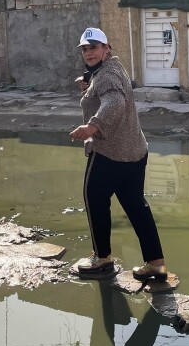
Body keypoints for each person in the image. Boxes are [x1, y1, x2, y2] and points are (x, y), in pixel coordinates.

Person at [69, 27, 168, 282]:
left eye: (94, 47)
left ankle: (102, 259)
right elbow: (108, 91)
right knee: (137, 206)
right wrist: (88, 87)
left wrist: (92, 126)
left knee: (94, 199)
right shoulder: (113, 69)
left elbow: (115, 101)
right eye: (85, 49)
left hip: (109, 152)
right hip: (135, 151)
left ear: (106, 48)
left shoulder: (105, 76)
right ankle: (156, 264)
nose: (89, 53)